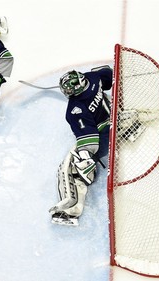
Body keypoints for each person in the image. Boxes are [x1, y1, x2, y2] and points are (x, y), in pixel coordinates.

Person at [49, 65, 113, 226]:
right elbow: (108, 74)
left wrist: (85, 157)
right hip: (117, 116)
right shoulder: (92, 77)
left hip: (107, 134)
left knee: (71, 166)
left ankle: (69, 210)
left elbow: (89, 140)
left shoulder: (75, 109)